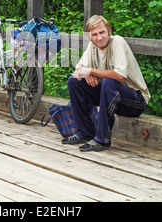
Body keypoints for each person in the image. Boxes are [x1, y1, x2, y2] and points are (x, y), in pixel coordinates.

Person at [64, 15, 150, 151]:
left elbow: (120, 76)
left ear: (109, 30)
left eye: (102, 32)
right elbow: (78, 70)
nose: (99, 37)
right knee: (74, 82)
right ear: (89, 37)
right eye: (94, 34)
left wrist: (91, 70)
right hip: (111, 98)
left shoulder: (117, 42)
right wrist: (87, 74)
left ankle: (102, 139)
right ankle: (84, 132)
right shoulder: (92, 46)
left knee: (109, 82)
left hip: (135, 101)